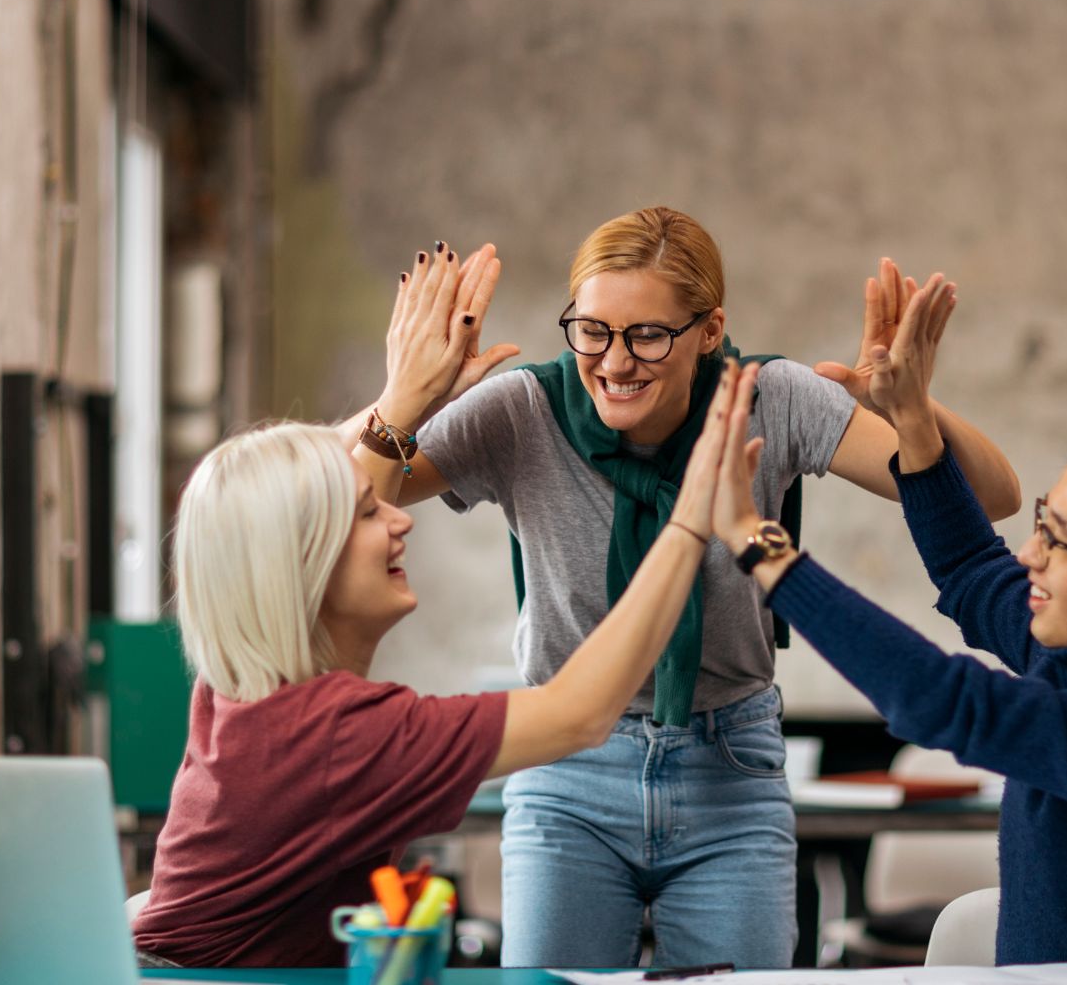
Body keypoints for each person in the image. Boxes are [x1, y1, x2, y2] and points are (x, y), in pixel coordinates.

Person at [348, 212, 1022, 968]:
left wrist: (908, 409)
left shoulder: (772, 399)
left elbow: (991, 500)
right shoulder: (524, 410)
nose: (614, 360)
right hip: (569, 772)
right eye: (592, 330)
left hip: (728, 770)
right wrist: (404, 397)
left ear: (708, 329)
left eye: (648, 334)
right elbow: (347, 496)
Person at [128, 312, 765, 967]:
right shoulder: (334, 735)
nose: (400, 518)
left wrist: (405, 402)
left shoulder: (245, 693)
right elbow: (580, 713)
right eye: (369, 513)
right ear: (301, 563)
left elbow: (261, 505)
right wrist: (689, 519)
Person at [711, 269, 1067, 965]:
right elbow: (972, 567)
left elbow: (946, 702)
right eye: (1041, 522)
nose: (1030, 554)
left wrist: (764, 549)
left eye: (1059, 539)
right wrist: (911, 417)